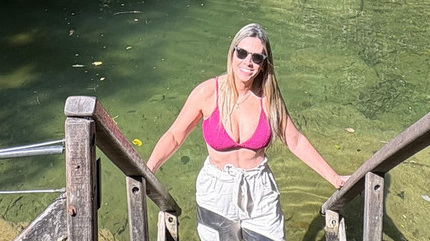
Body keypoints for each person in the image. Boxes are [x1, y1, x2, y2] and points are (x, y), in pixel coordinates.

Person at [147, 23, 348, 241]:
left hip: (259, 191)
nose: (247, 62)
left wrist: (334, 177)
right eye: (241, 53)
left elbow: (295, 140)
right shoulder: (207, 93)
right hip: (216, 190)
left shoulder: (269, 99)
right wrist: (146, 171)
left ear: (263, 64)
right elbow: (175, 136)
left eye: (256, 57)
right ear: (232, 52)